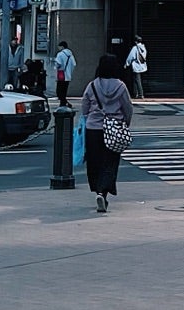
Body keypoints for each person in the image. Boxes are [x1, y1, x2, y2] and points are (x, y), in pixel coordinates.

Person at [80, 54, 134, 213]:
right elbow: (128, 108)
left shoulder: (92, 85)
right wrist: (125, 123)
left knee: (94, 161)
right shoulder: (121, 86)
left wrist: (87, 118)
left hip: (93, 128)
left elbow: (84, 105)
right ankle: (102, 193)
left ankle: (97, 189)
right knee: (110, 161)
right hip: (114, 128)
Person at [54, 41, 77, 107]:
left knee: (59, 91)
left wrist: (57, 68)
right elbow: (74, 64)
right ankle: (63, 103)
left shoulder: (60, 54)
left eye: (59, 47)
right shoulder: (70, 54)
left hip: (61, 75)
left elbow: (58, 63)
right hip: (68, 75)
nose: (58, 48)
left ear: (62, 47)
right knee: (64, 90)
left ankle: (64, 102)